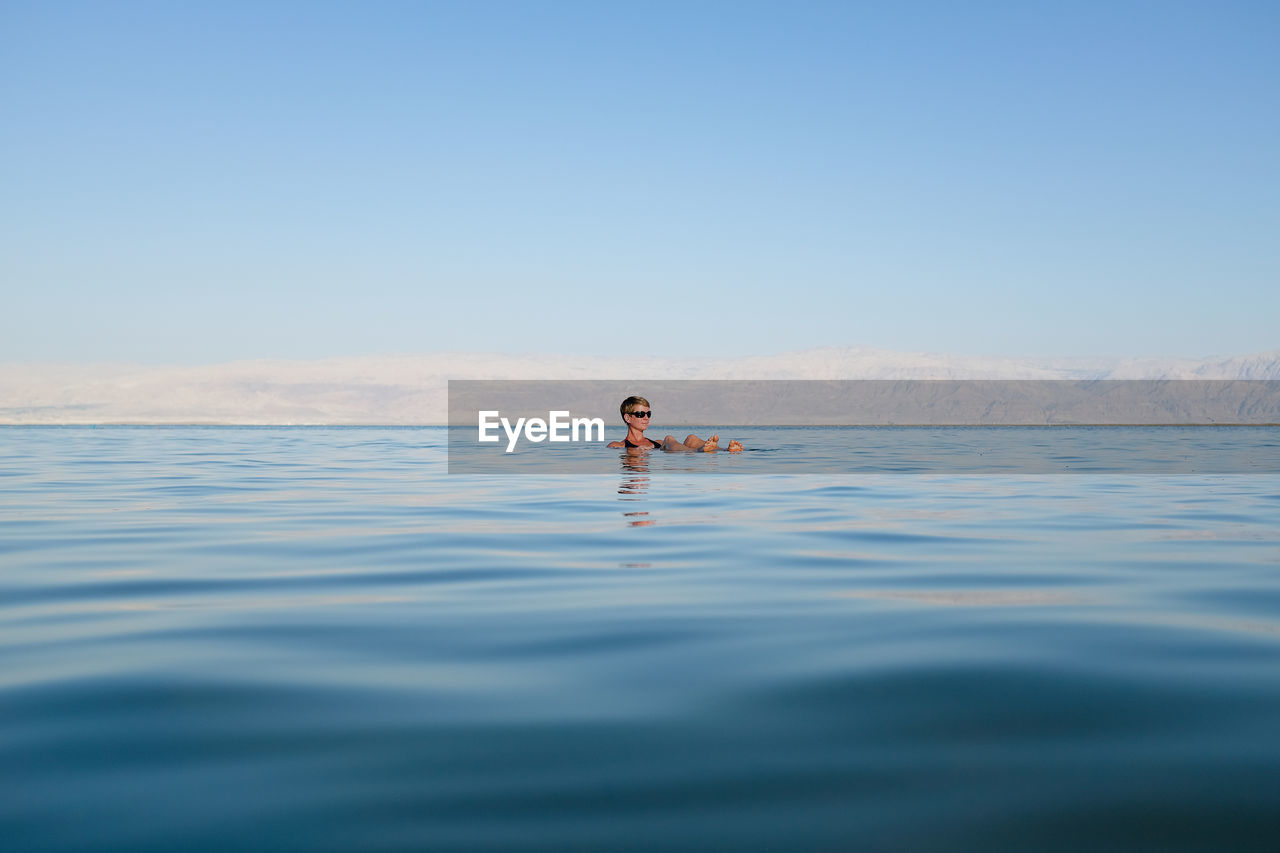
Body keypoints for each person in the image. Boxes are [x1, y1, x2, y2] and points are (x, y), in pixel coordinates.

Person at [607, 396, 743, 452]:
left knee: (691, 438)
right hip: (679, 457)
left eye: (648, 414)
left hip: (678, 455)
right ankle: (698, 451)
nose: (646, 418)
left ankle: (724, 451)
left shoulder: (656, 443)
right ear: (628, 418)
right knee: (668, 439)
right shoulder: (617, 446)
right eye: (641, 414)